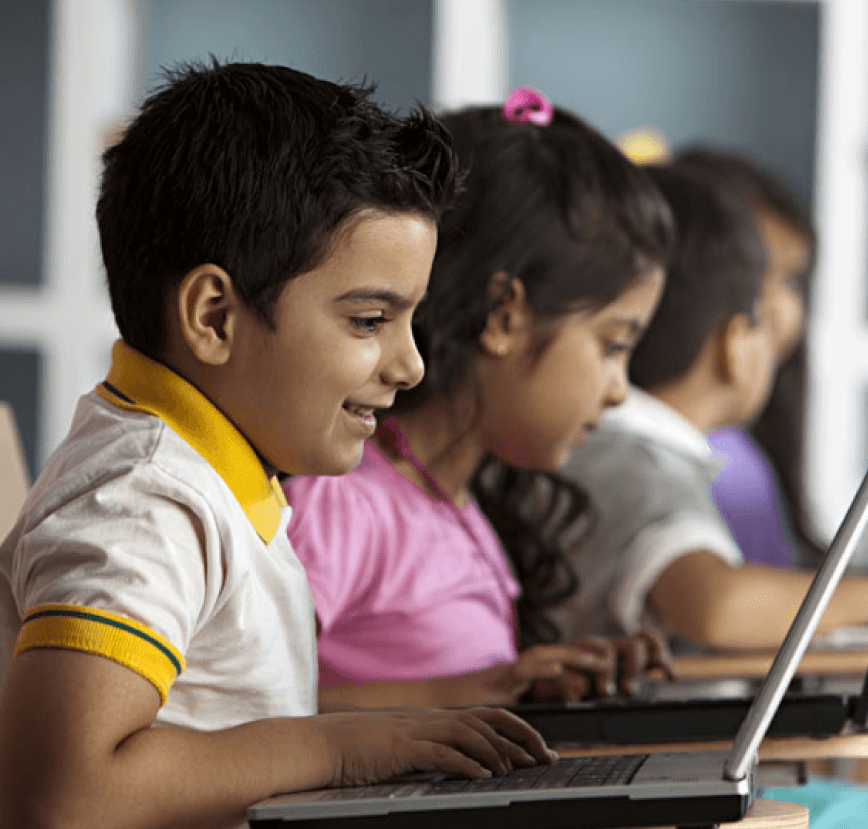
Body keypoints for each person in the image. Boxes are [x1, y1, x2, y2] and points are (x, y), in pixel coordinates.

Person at [0, 62, 557, 829]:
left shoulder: (214, 476)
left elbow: (223, 726)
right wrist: (335, 748)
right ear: (215, 318)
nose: (410, 365)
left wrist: (402, 727)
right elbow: (61, 796)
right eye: (369, 321)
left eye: (409, 320)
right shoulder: (144, 501)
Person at [283, 87, 676, 710]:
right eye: (612, 344)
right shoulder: (344, 503)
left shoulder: (459, 505)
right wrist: (481, 691)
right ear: (504, 316)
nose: (618, 389)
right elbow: (253, 714)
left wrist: (543, 686)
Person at [550, 158, 868, 652]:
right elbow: (717, 609)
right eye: (764, 321)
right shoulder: (629, 458)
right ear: (735, 344)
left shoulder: (632, 448)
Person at [675, 147, 824, 570]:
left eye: (791, 281)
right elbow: (719, 601)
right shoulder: (726, 461)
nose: (778, 309)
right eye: (755, 278)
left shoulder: (743, 452)